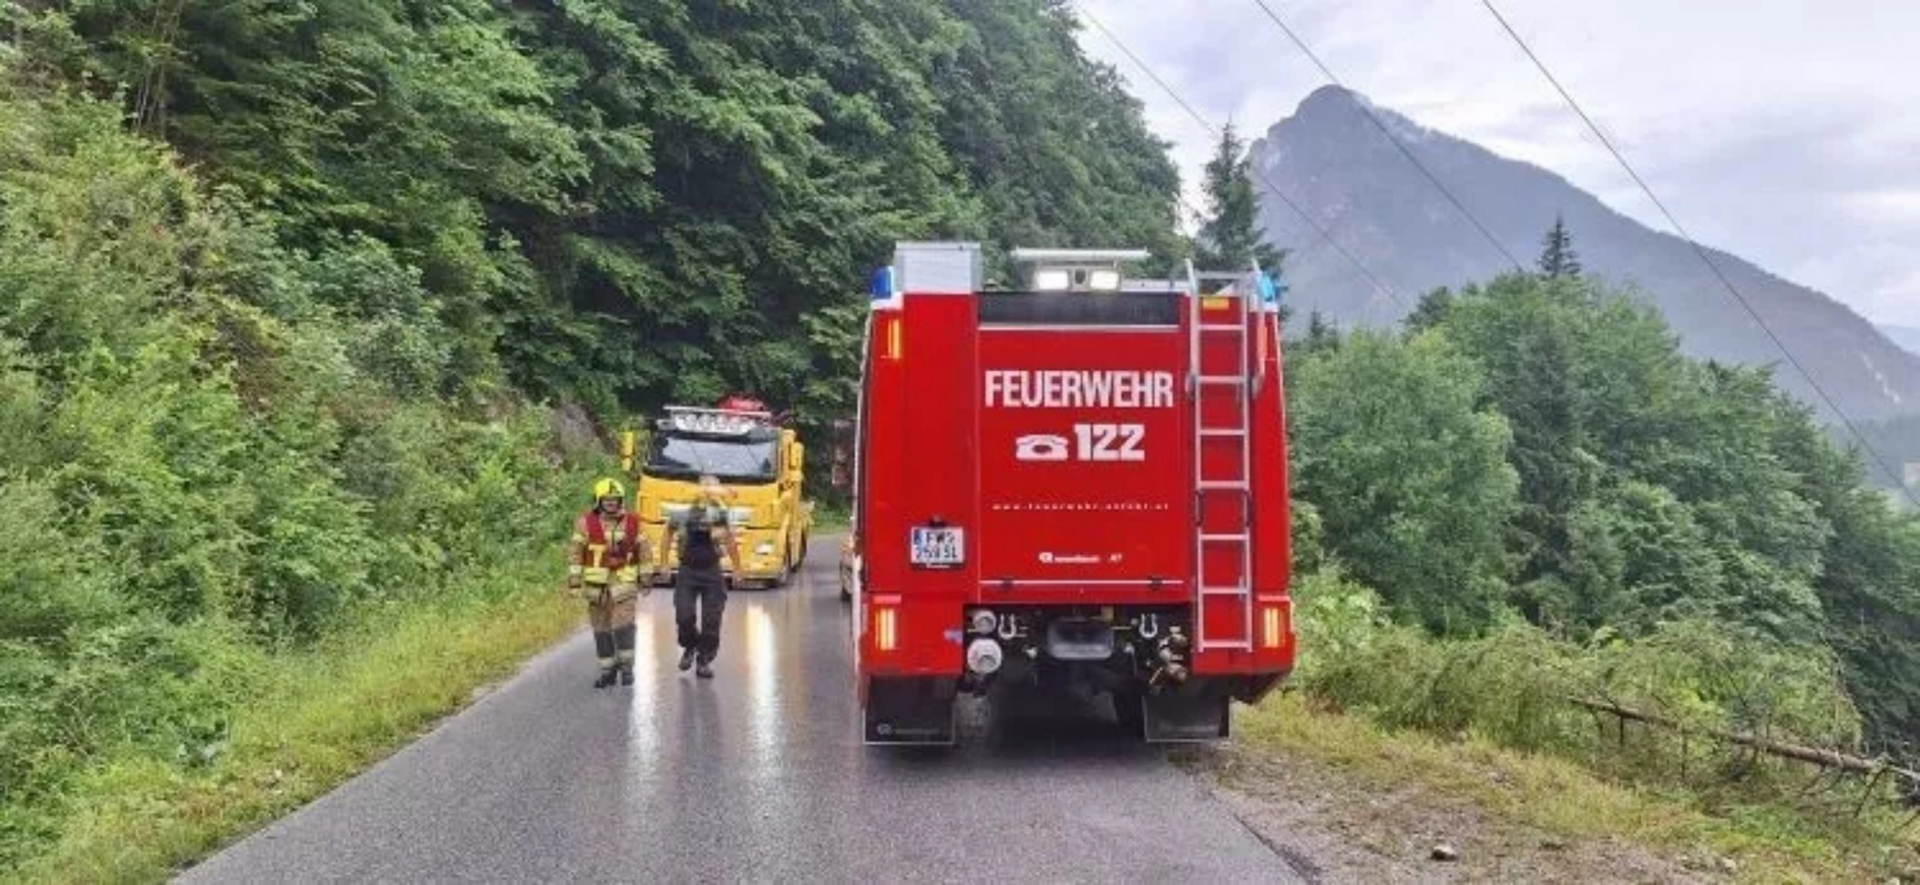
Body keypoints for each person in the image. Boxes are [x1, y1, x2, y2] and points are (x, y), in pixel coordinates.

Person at [566, 478, 650, 688]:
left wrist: (646, 579)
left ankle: (627, 670)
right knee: (601, 630)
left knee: (624, 626)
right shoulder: (585, 523)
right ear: (598, 500)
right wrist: (574, 583)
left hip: (624, 584)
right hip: (597, 587)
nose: (612, 503)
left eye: (615, 499)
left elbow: (645, 552)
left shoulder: (633, 521)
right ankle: (607, 671)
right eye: (607, 499)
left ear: (621, 500)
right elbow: (576, 554)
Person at [660, 475, 742, 678]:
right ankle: (690, 646)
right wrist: (663, 563)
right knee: (684, 616)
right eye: (704, 486)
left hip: (712, 571)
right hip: (687, 570)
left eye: (713, 487)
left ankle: (704, 659)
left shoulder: (720, 514)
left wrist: (738, 568)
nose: (708, 490)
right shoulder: (682, 513)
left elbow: (729, 541)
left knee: (711, 622)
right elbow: (666, 535)